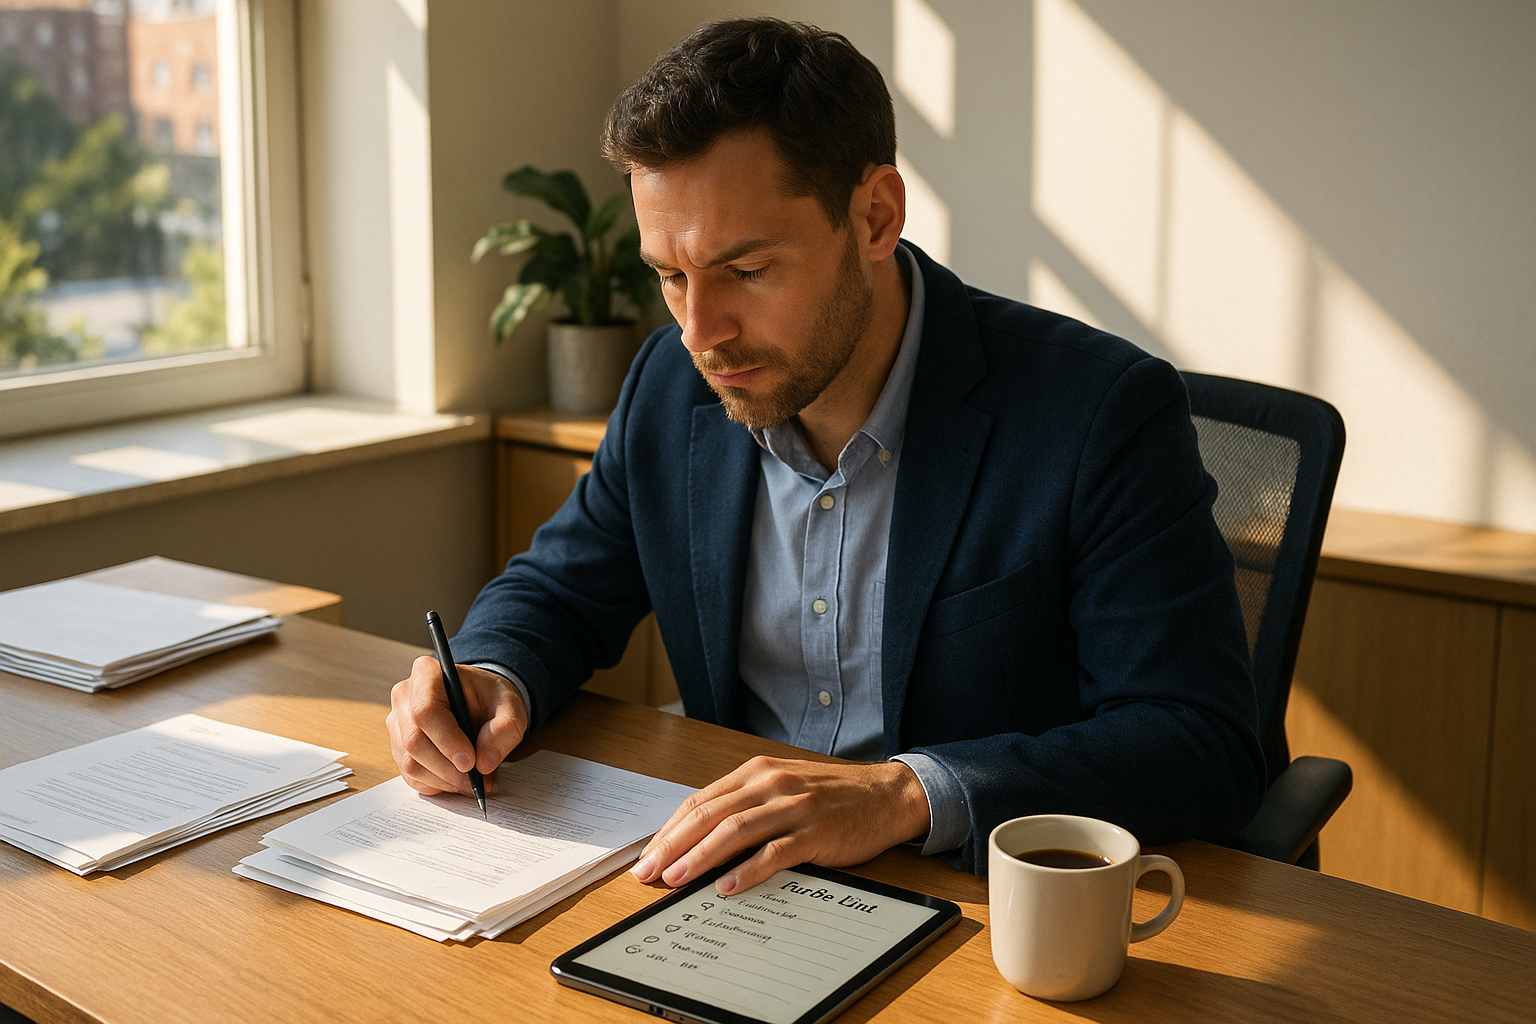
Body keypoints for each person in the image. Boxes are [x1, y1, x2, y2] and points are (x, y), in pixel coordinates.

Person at [388, 17, 1264, 896]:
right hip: (741, 890)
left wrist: (900, 793)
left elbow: (1199, 740)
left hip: (980, 904)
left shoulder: (1096, 412)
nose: (701, 331)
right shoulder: (671, 382)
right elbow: (563, 586)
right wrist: (489, 672)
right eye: (671, 275)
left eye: (748, 269)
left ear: (876, 217)